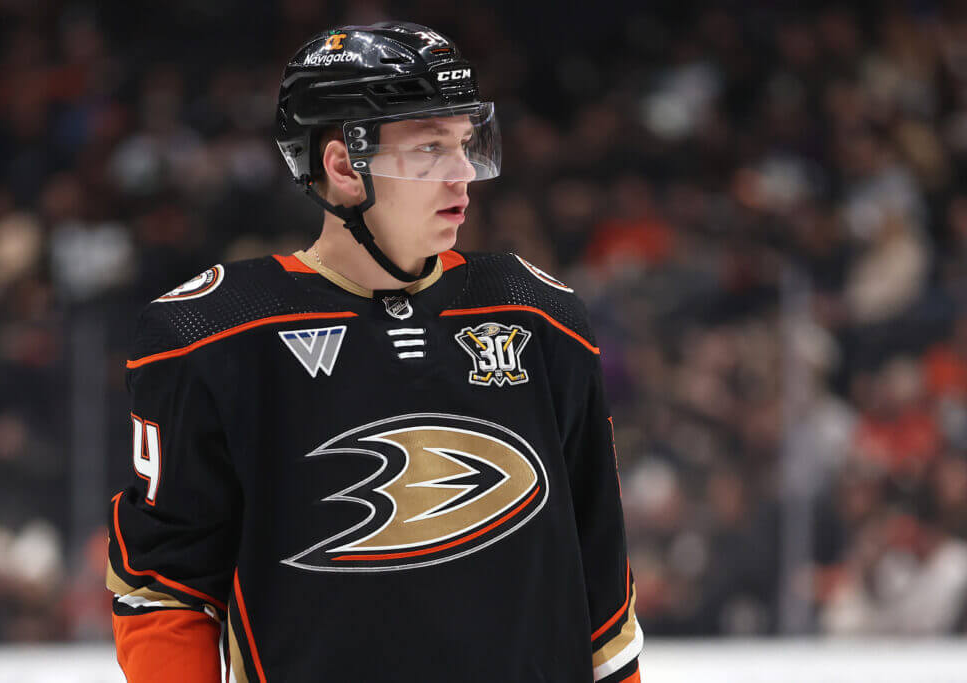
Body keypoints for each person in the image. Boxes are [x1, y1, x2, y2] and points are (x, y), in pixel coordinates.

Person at [107, 21, 643, 683]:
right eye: (429, 149)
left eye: (465, 144)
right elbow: (166, 586)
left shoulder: (539, 317)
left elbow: (602, 577)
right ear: (342, 166)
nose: (463, 174)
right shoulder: (214, 336)